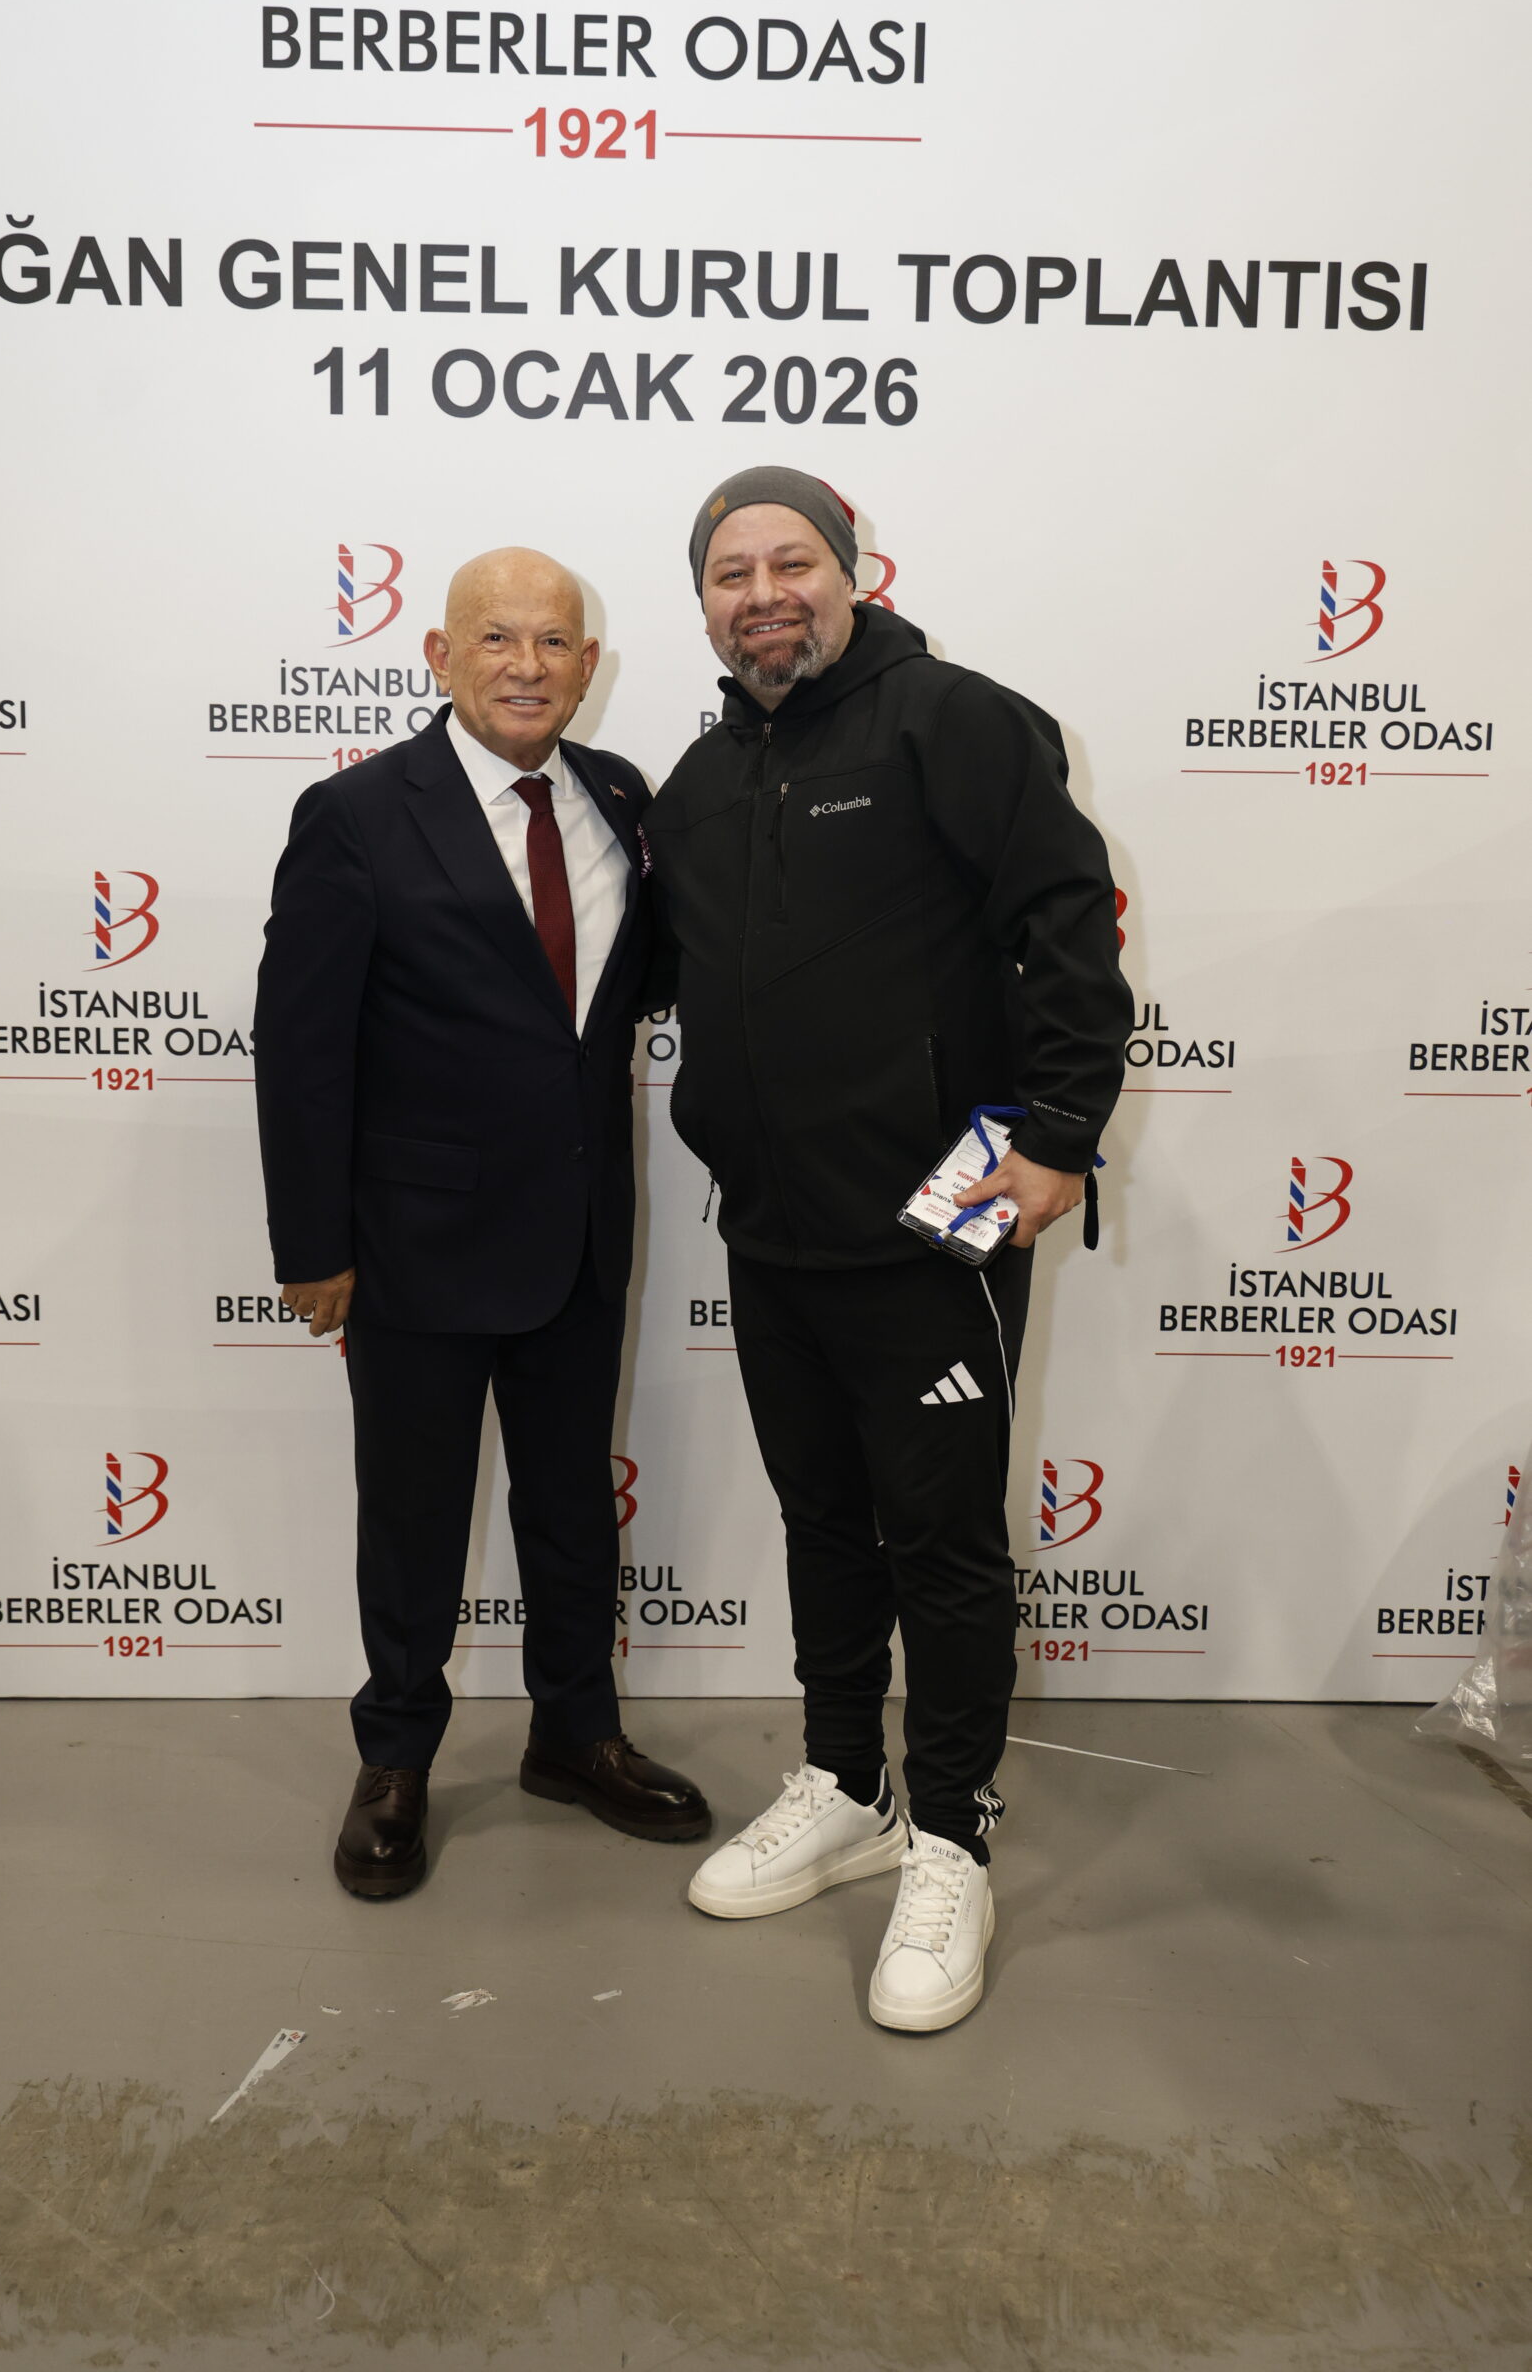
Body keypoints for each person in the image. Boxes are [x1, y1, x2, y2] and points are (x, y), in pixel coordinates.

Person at [646, 468, 1130, 2032]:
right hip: (772, 1228)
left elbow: (1069, 920)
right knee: (823, 1520)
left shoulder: (955, 721)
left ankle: (955, 1838)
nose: (764, 594)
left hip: (937, 1226)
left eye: (793, 562)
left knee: (943, 1540)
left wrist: (1058, 1134)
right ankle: (848, 1782)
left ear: (854, 576)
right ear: (704, 603)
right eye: (732, 572)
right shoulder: (701, 778)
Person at [254, 547, 709, 1901]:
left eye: (555, 642)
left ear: (589, 665)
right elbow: (302, 1048)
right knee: (414, 1515)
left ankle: (575, 1734)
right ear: (440, 657)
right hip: (413, 1243)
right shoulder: (355, 815)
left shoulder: (621, 798)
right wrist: (313, 1246)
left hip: (581, 1231)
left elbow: (641, 986)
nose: (528, 665)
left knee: (572, 1505)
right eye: (497, 639)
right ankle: (395, 1757)